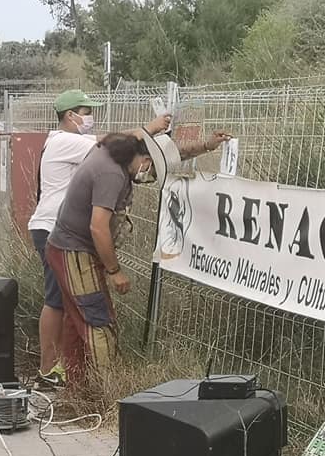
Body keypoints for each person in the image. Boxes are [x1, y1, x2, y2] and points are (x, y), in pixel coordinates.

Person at [45, 128, 231, 384]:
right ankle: (107, 388)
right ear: (145, 161)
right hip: (75, 252)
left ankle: (78, 388)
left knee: (77, 322)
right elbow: (98, 227)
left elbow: (169, 152)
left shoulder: (112, 151)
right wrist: (114, 271)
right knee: (99, 322)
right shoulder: (111, 174)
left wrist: (206, 145)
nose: (150, 178)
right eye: (153, 172)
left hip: (66, 247)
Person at [27, 89, 169, 389]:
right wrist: (150, 128)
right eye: (86, 110)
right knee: (56, 301)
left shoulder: (72, 144)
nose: (90, 117)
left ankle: (65, 371)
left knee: (66, 304)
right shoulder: (66, 140)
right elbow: (110, 141)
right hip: (54, 228)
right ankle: (49, 369)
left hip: (59, 229)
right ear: (70, 115)